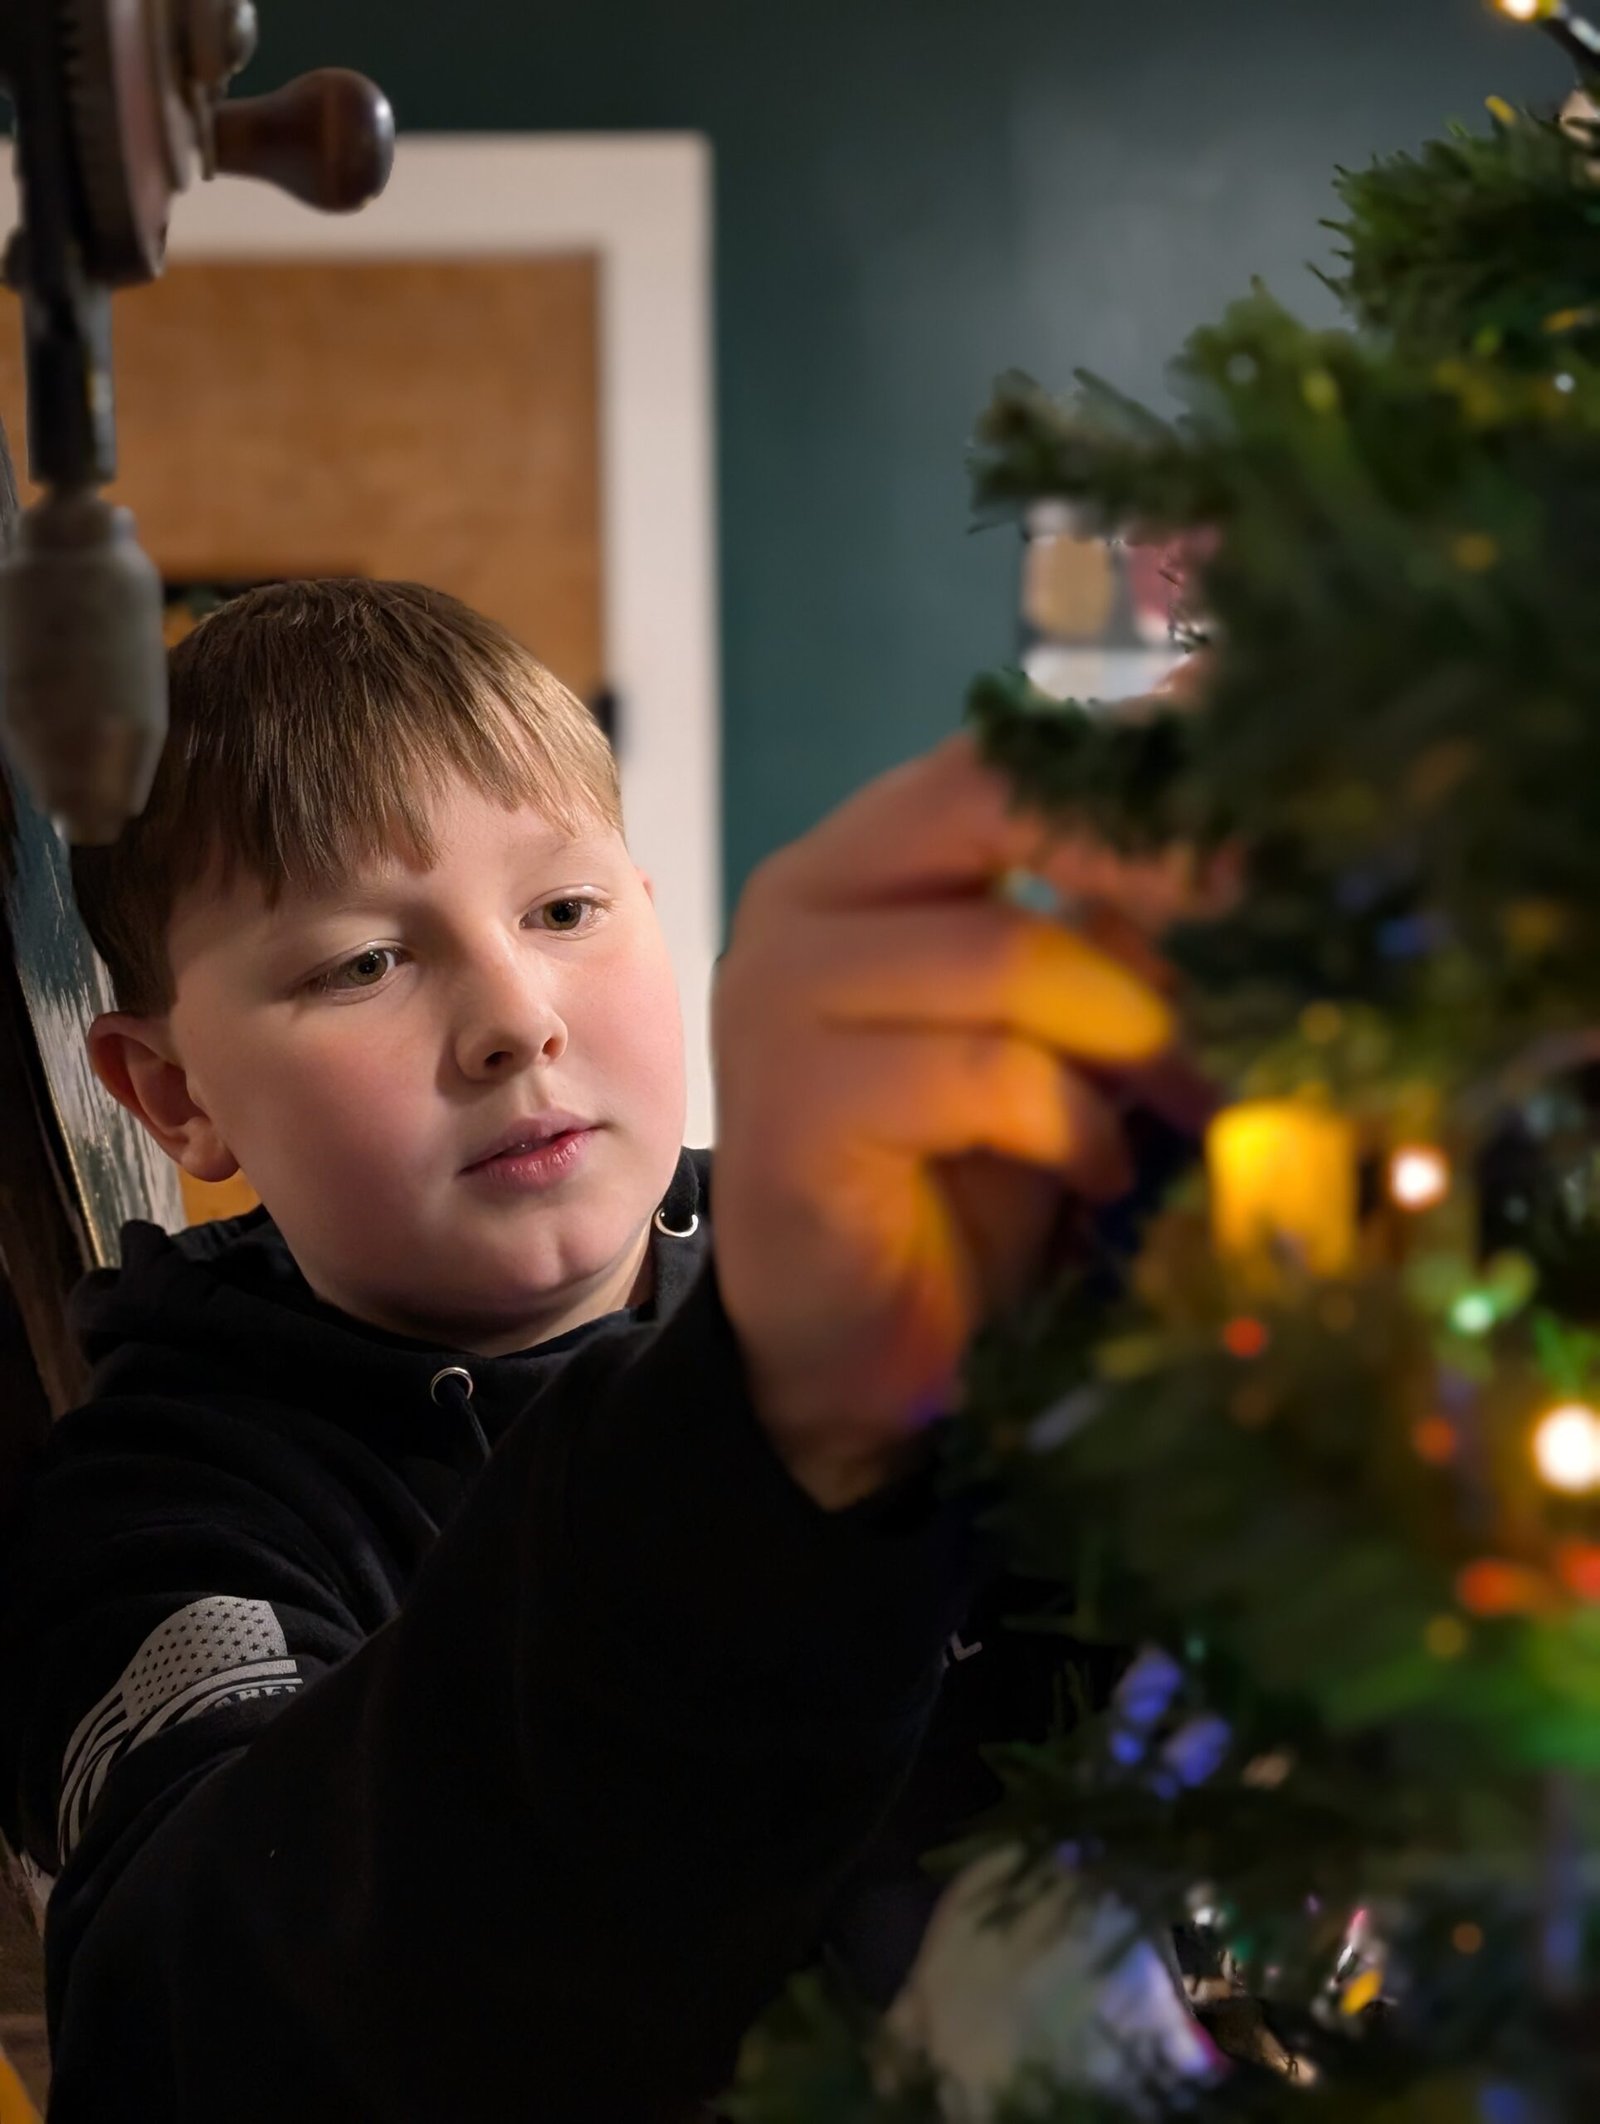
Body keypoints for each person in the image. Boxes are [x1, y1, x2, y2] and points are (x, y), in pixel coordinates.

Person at [0, 578, 1179, 2120]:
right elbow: (210, 2021)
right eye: (361, 963)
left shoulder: (902, 1271)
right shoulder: (158, 1512)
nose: (515, 1018)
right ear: (171, 1095)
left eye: (564, 911)